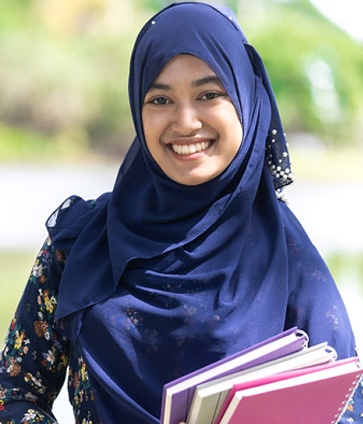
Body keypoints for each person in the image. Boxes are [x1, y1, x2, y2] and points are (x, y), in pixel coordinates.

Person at [0, 2, 362, 423]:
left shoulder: (287, 256)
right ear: (138, 108)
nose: (186, 122)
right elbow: (14, 392)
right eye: (160, 99)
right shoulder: (81, 242)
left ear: (246, 100)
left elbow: (345, 403)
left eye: (209, 94)